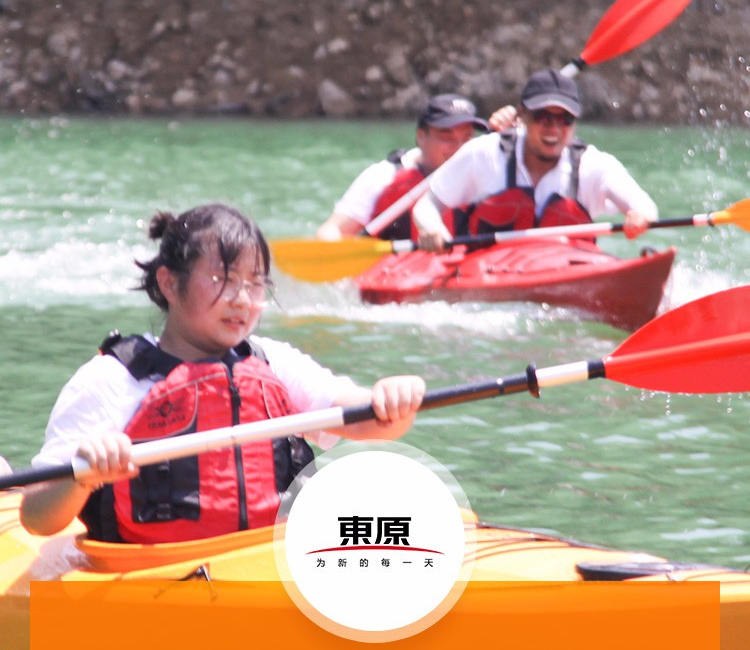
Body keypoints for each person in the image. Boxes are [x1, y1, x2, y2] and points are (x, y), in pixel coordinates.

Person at [21, 203, 425, 541]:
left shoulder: (273, 362)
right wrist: (82, 476)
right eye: (223, 280)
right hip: (149, 575)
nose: (243, 300)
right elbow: (37, 518)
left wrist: (392, 399)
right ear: (169, 283)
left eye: (256, 284)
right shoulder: (111, 381)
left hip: (266, 562)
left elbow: (372, 422)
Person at [412, 69, 658, 250]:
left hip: (565, 271)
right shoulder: (484, 153)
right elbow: (428, 205)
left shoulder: (593, 165)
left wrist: (640, 216)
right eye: (543, 117)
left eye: (565, 119)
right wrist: (432, 228)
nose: (554, 129)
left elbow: (645, 206)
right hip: (486, 271)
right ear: (523, 117)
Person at [316, 93, 498, 242]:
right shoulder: (383, 176)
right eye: (447, 137)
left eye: (467, 138)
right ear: (421, 137)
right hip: (396, 269)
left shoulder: (488, 172)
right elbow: (333, 230)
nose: (459, 148)